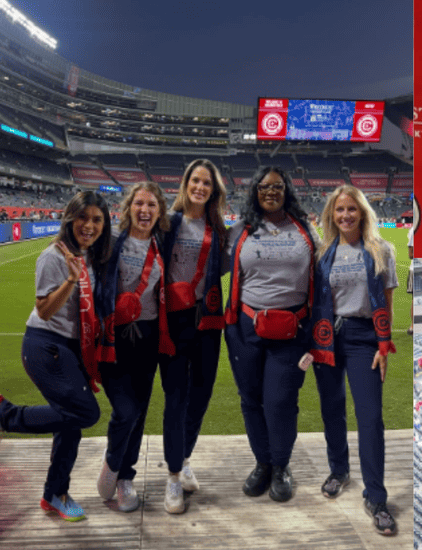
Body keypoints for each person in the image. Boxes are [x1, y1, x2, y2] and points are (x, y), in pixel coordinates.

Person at [0, 191, 112, 521]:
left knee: (71, 422)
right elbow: (45, 310)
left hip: (69, 348)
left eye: (97, 220)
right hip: (45, 346)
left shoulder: (89, 254)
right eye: (83, 218)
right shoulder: (54, 256)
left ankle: (55, 495)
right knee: (86, 413)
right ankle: (5, 415)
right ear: (70, 218)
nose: (89, 225)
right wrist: (71, 280)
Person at [308, 184, 399, 535]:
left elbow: (388, 302)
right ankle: (339, 470)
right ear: (332, 214)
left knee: (371, 418)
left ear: (362, 212)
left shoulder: (382, 250)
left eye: (352, 209)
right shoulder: (323, 253)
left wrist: (384, 344)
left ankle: (376, 497)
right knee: (332, 409)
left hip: (364, 338)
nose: (345, 215)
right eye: (339, 210)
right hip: (328, 337)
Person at [224, 166, 317, 503]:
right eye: (264, 186)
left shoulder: (305, 231)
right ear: (255, 191)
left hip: (292, 331)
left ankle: (281, 465)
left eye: (278, 186)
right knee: (250, 400)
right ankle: (262, 462)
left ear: (286, 190)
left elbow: (324, 276)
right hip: (246, 329)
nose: (271, 192)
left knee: (280, 403)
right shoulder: (241, 231)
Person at [96, 182, 174, 512]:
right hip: (112, 336)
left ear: (160, 212)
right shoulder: (110, 241)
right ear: (129, 207)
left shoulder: (162, 244)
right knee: (125, 409)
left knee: (139, 412)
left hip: (147, 336)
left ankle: (126, 478)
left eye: (152, 205)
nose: (145, 210)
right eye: (139, 204)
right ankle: (113, 464)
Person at [159, 159, 229, 514]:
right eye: (195, 180)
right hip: (172, 320)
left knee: (200, 397)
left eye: (207, 184)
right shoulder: (167, 224)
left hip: (207, 321)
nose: (200, 187)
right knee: (176, 400)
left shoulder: (218, 230)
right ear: (185, 183)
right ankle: (172, 478)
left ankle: (183, 458)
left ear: (213, 191)